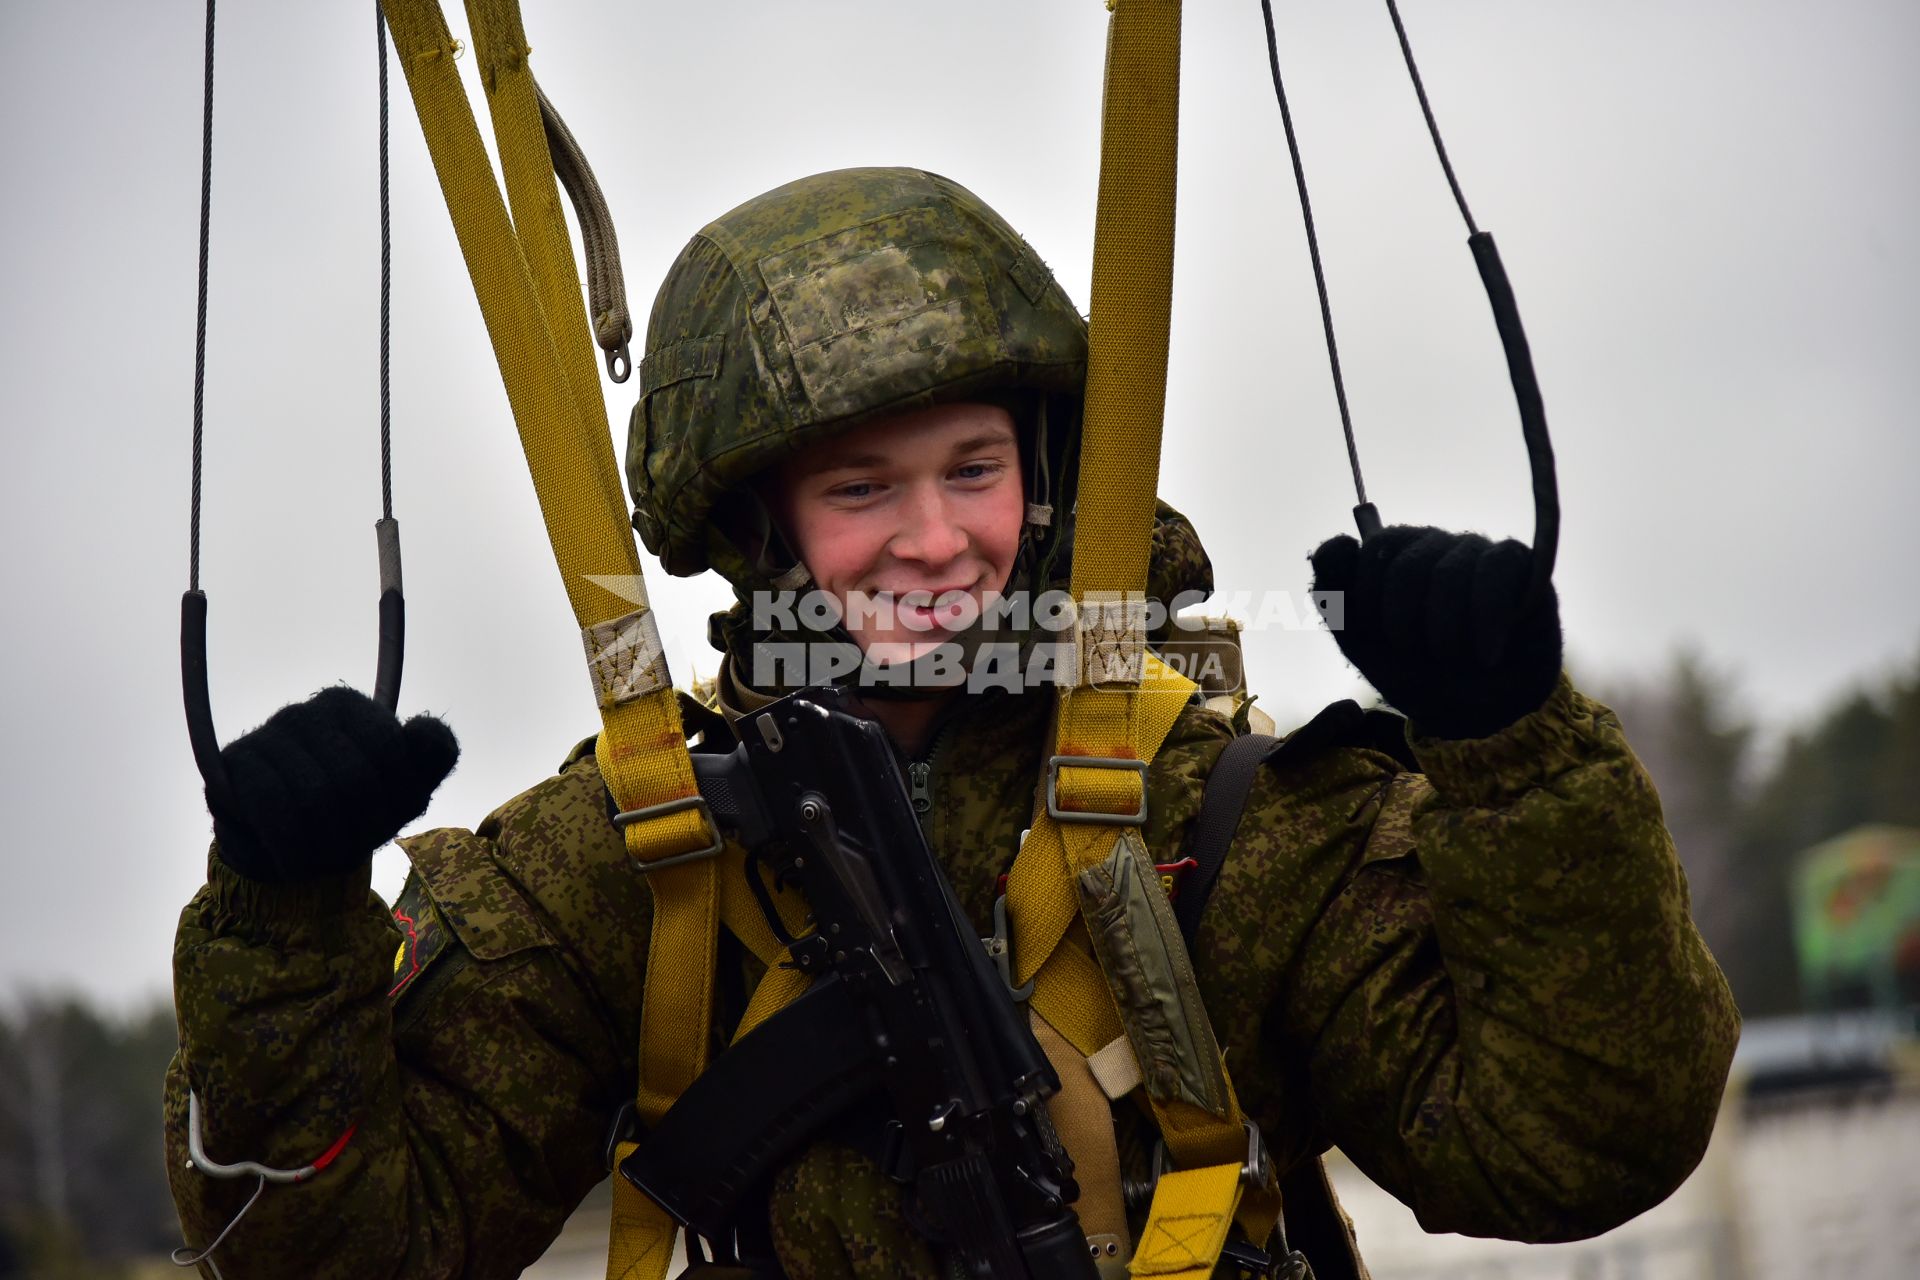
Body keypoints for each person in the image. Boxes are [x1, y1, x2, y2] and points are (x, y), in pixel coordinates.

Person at [164, 167, 1740, 1279]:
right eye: (862, 490)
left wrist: (1511, 753)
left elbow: (1575, 1145)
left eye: (972, 469)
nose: (933, 540)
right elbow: (323, 1249)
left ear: (1042, 474)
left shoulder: (1225, 811)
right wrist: (284, 926)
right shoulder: (629, 858)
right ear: (766, 529)